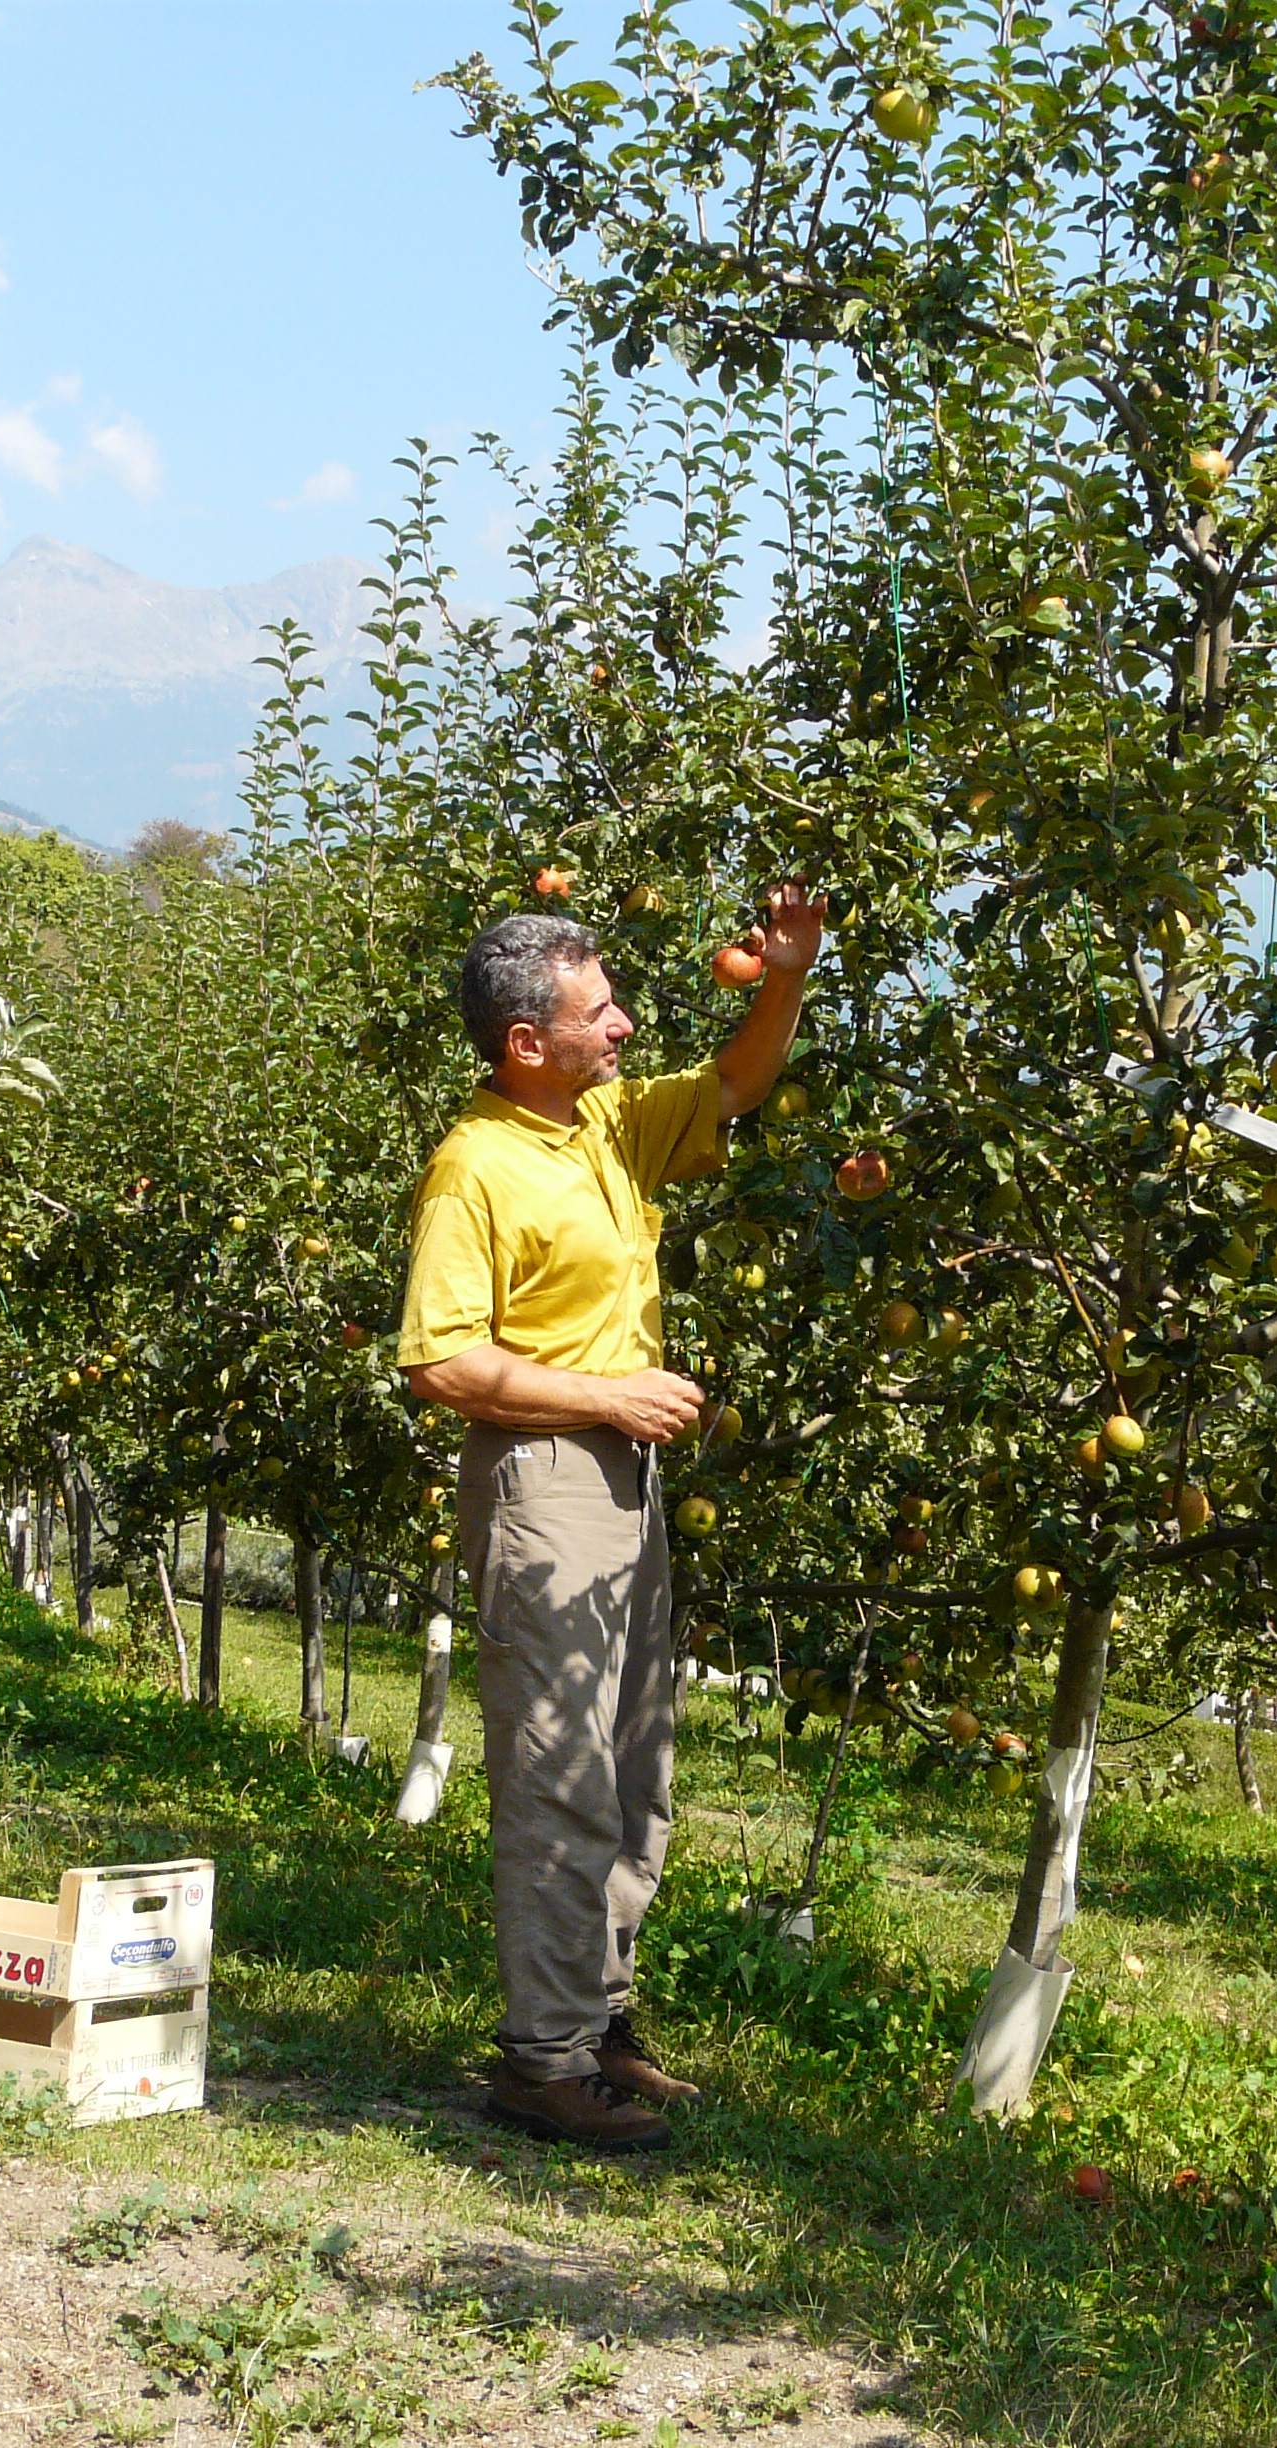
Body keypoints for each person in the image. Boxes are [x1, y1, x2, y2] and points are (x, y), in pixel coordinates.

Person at [396, 886, 827, 2151]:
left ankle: (598, 2025)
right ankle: (541, 2061)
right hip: (548, 1478)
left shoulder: (604, 1125)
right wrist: (608, 1395)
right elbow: (439, 1364)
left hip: (622, 1481)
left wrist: (786, 975)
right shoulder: (475, 1167)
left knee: (637, 1767)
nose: (629, 1027)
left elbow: (737, 1083)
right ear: (527, 1043)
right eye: (602, 1013)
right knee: (559, 1768)